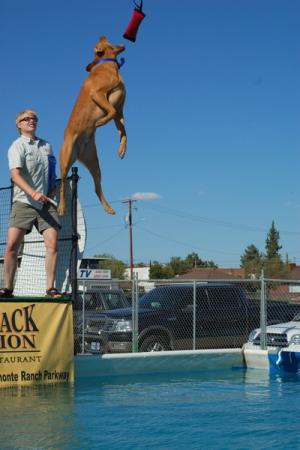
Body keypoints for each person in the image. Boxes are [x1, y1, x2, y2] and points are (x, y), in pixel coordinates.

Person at [0, 109, 63, 298]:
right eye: (26, 119)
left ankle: (51, 288)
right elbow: (15, 175)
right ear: (18, 124)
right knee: (12, 245)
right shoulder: (17, 146)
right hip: (23, 202)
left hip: (46, 204)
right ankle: (7, 287)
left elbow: (51, 173)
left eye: (34, 118)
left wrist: (52, 190)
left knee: (53, 244)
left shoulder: (47, 146)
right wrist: (33, 193)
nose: (31, 121)